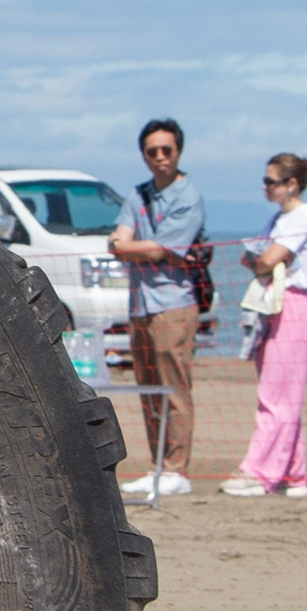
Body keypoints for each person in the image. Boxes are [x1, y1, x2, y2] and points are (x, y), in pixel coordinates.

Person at [108, 118, 206, 496]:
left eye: (167, 150)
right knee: (148, 387)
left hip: (173, 303)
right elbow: (121, 242)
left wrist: (130, 247)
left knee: (174, 387)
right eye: (153, 151)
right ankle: (158, 465)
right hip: (140, 304)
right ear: (144, 155)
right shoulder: (138, 195)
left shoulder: (188, 196)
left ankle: (177, 469)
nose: (160, 157)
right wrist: (133, 247)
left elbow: (157, 248)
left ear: (179, 151)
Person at [224, 155, 307, 499]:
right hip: (270, 303)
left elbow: (266, 258)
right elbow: (256, 259)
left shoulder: (305, 216)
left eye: (271, 181)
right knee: (281, 393)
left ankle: (259, 472)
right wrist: (260, 260)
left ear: (291, 184)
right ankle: (293, 474)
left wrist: (261, 260)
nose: (265, 187)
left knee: (277, 395)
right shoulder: (278, 218)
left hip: (291, 305)